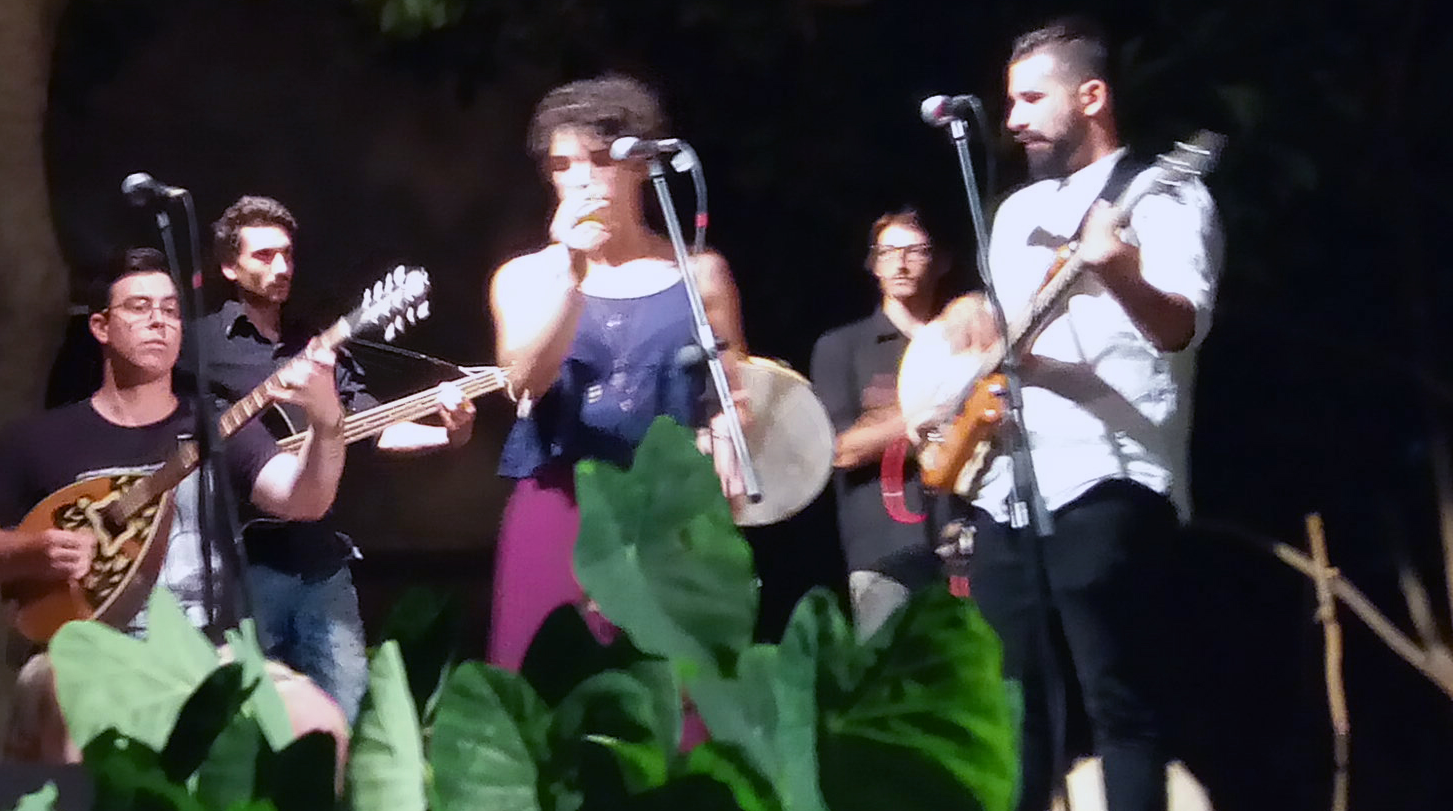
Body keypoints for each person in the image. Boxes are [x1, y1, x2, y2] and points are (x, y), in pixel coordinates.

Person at [898, 19, 1221, 811]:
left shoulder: (1164, 194)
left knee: (1116, 691)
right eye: (1008, 102)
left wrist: (1117, 272)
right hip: (1010, 479)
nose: (1013, 120)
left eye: (1031, 98)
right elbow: (1007, 339)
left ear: (1092, 96)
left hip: (1113, 473)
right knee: (1013, 695)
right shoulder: (1010, 217)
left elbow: (1176, 329)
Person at [0, 249, 349, 761]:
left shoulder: (218, 428)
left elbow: (304, 499)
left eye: (171, 310)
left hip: (209, 655)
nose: (159, 320)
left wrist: (327, 424)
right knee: (76, 708)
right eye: (139, 307)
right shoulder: (42, 439)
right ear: (102, 327)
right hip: (90, 651)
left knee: (317, 725)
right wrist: (27, 552)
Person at [486, 76, 750, 672]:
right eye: (562, 165)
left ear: (639, 166)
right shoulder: (525, 277)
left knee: (675, 694)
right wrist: (571, 274)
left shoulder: (699, 271)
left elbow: (731, 392)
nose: (579, 179)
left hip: (668, 509)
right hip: (562, 503)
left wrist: (728, 434)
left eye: (599, 160)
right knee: (550, 687)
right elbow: (524, 382)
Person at [200, 196, 469, 719]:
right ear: (230, 266)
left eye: (287, 255)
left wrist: (448, 436)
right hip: (242, 566)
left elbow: (369, 426)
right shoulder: (202, 348)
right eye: (263, 256)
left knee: (348, 713)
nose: (280, 268)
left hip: (321, 562)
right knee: (245, 722)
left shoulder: (315, 344)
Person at [808, 207, 955, 637]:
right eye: (888, 252)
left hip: (969, 538)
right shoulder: (843, 346)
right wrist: (926, 416)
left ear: (941, 261)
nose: (901, 263)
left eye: (914, 251)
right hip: (885, 548)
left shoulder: (961, 341)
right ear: (873, 265)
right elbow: (839, 449)